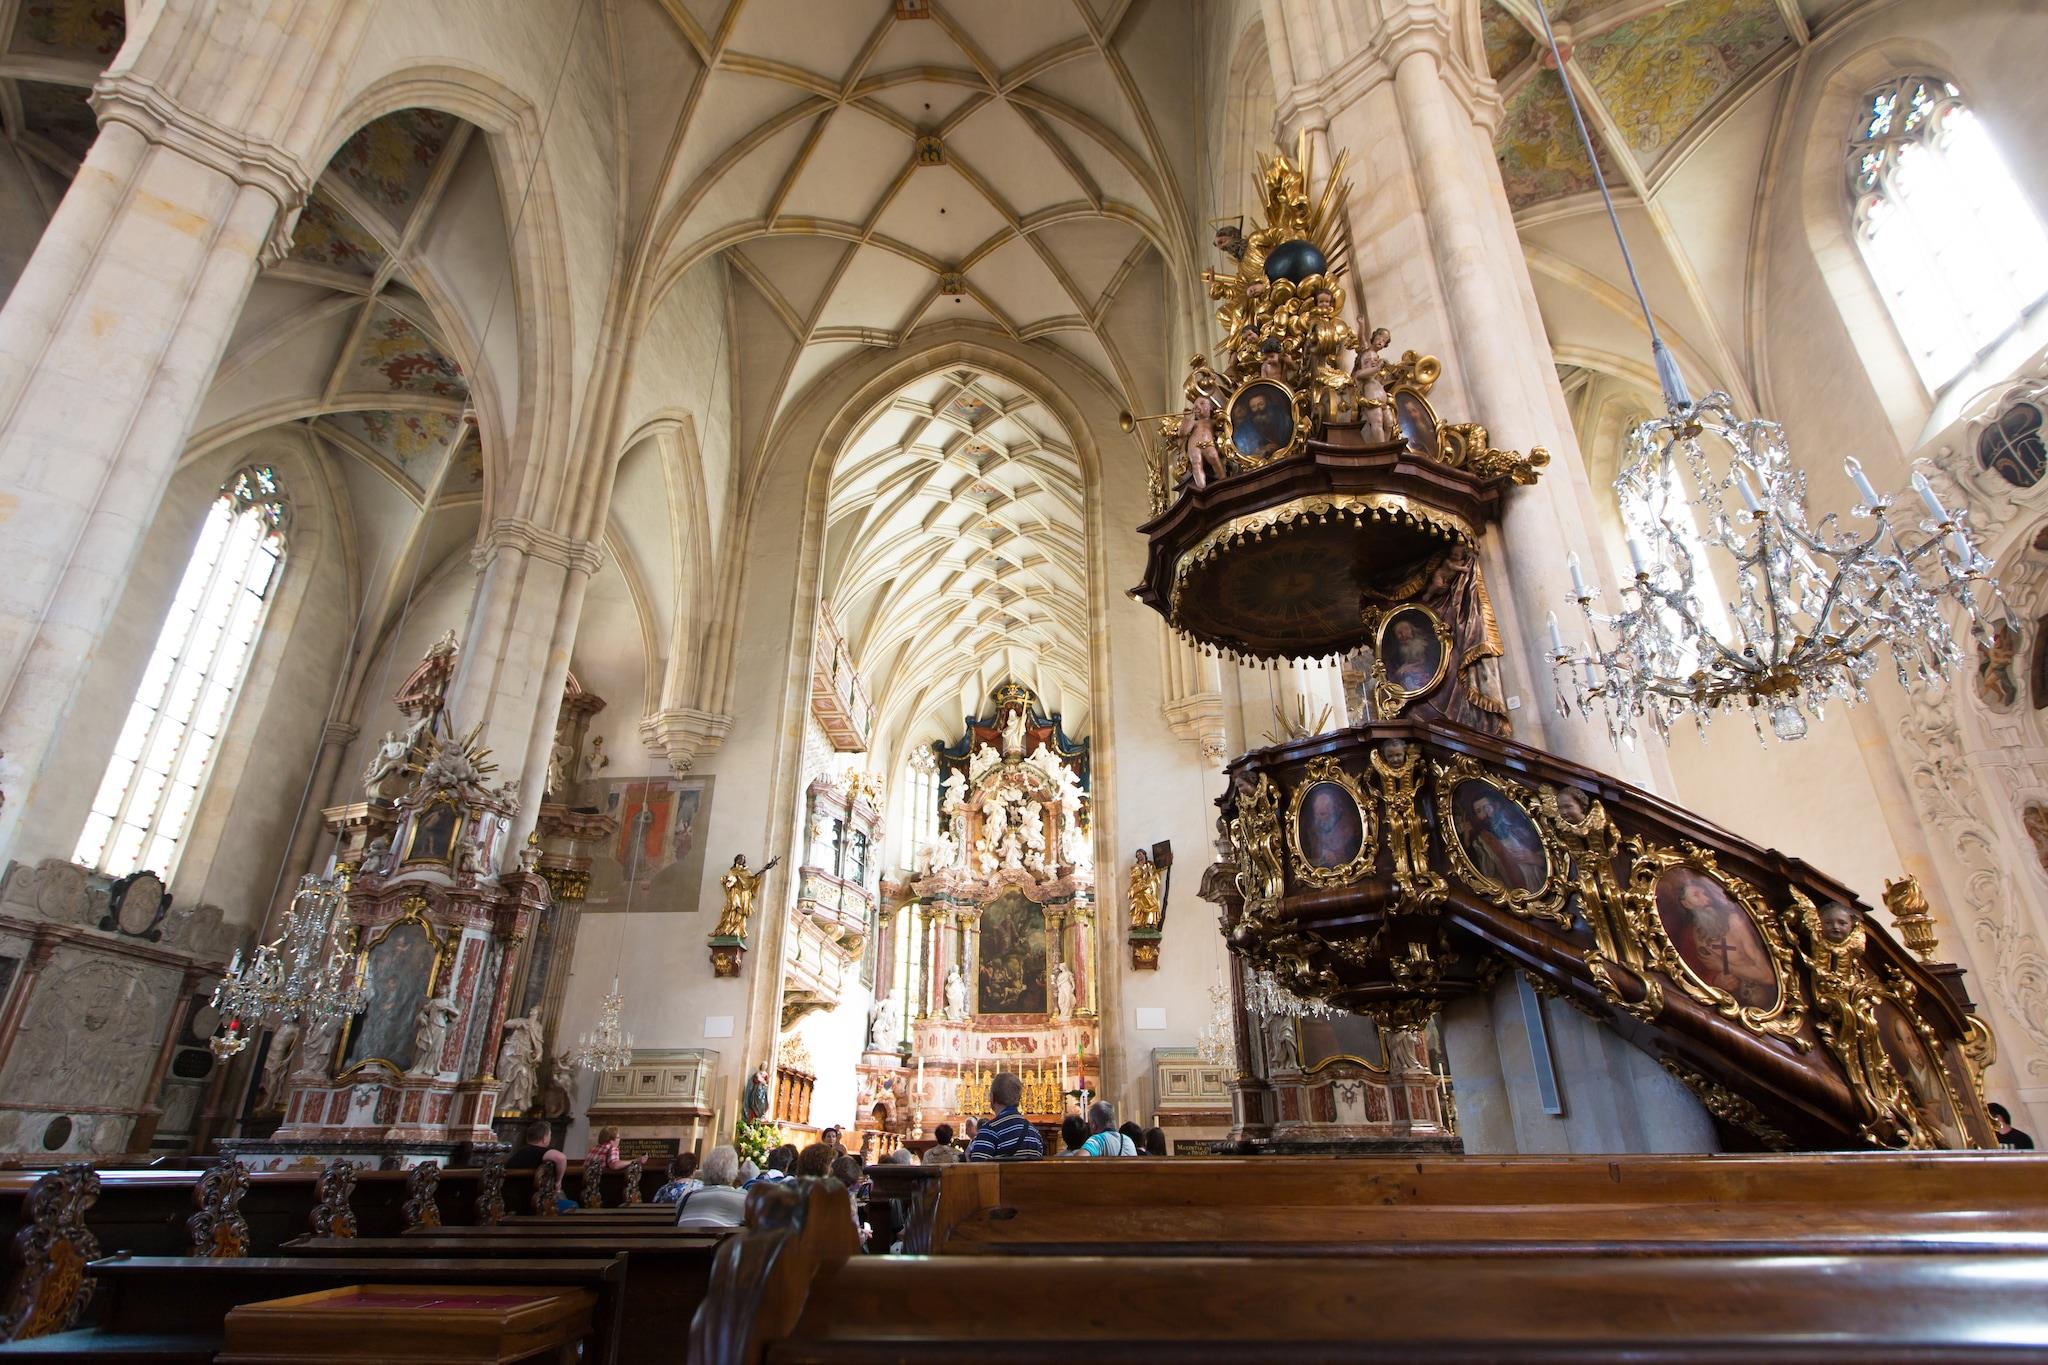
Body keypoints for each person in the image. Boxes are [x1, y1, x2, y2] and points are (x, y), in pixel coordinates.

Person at [965, 1072, 1045, 1160]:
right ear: (1019, 1098)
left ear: (992, 1097)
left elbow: (978, 1167)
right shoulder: (1034, 1133)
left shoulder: (989, 1131)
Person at [505, 1120, 574, 1212]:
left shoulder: (519, 1152)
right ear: (545, 1138)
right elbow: (561, 1158)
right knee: (572, 1205)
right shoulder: (538, 1152)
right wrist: (558, 1181)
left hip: (512, 1201)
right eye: (550, 1135)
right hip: (531, 1203)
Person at [675, 1145, 751, 1228]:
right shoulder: (743, 1199)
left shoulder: (684, 1200)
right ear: (734, 1172)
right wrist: (750, 1180)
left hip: (682, 1236)